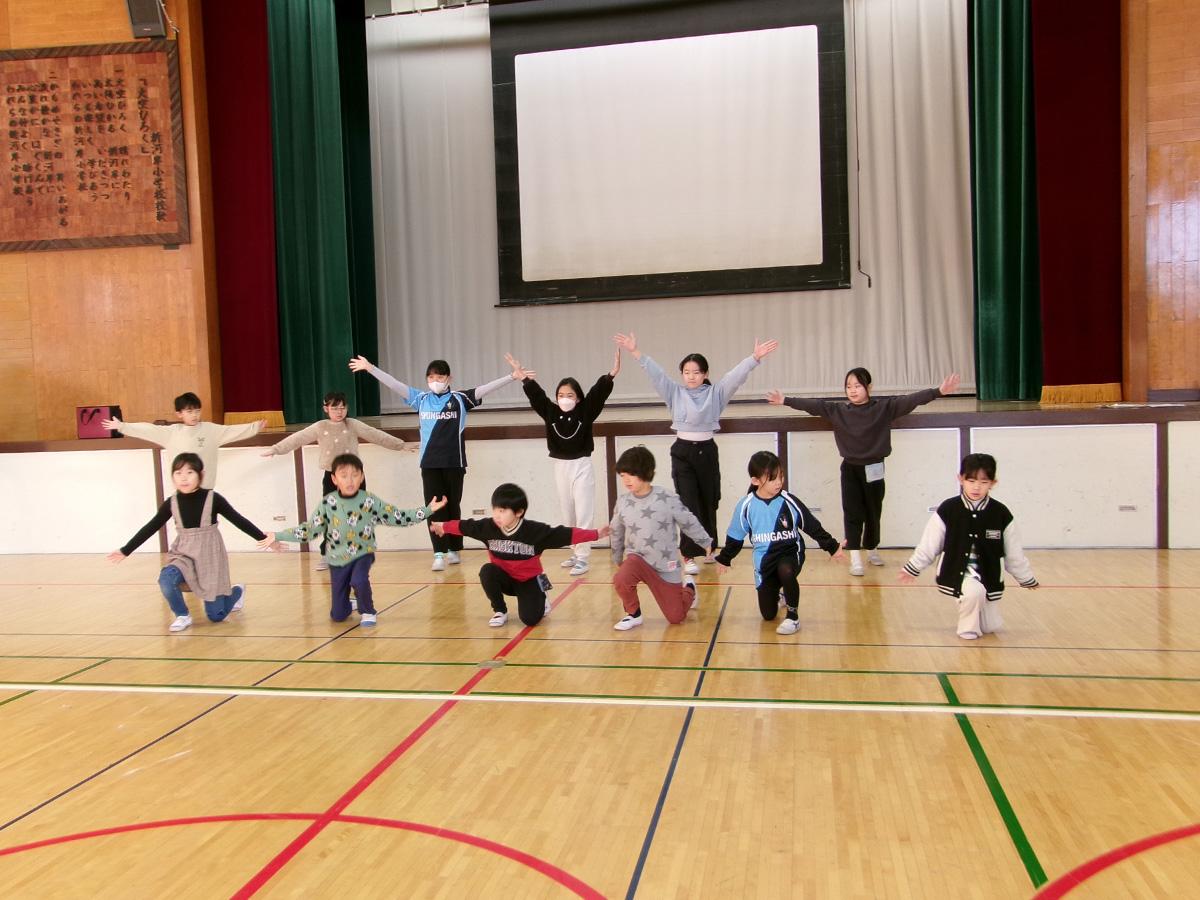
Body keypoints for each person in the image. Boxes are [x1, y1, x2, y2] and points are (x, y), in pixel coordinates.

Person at [767, 367, 960, 576]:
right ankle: (855, 557)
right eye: (848, 386)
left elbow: (911, 400)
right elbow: (814, 405)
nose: (852, 390)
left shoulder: (884, 408)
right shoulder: (838, 410)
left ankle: (872, 548)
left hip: (875, 468)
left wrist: (938, 391)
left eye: (857, 386)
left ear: (869, 387)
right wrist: (785, 400)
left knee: (873, 512)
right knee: (852, 513)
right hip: (851, 468)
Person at [613, 332, 778, 576]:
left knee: (709, 500)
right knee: (689, 503)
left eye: (696, 372)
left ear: (705, 374)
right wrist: (635, 351)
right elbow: (656, 374)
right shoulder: (674, 392)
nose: (691, 376)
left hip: (707, 452)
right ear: (682, 374)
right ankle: (688, 554)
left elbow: (735, 377)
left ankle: (709, 547)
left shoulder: (716, 393)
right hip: (683, 453)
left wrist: (754, 358)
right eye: (687, 372)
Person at [349, 354, 522, 571]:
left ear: (449, 378)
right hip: (429, 463)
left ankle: (453, 549)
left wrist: (512, 376)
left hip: (454, 462)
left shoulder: (460, 399)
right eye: (431, 377)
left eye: (439, 377)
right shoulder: (421, 399)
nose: (435, 381)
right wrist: (370, 368)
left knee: (452, 506)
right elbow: (395, 384)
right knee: (433, 508)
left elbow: (485, 389)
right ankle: (438, 553)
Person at [260, 453, 444, 627]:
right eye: (344, 476)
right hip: (337, 559)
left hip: (362, 553)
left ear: (362, 477)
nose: (349, 480)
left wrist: (428, 510)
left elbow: (398, 516)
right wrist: (278, 535)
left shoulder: (369, 501)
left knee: (359, 579)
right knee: (338, 615)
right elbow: (310, 530)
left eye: (355, 475)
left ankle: (368, 610)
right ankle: (348, 604)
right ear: (334, 479)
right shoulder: (328, 503)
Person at [107, 452, 268, 633]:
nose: (183, 478)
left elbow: (239, 520)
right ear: (173, 477)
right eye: (178, 473)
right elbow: (151, 526)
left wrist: (264, 538)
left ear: (201, 475)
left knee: (216, 616)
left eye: (190, 472)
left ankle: (237, 591)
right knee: (166, 579)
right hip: (183, 555)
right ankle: (182, 615)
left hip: (210, 557)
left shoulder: (213, 498)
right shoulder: (172, 502)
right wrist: (125, 550)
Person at [261, 390, 414, 569]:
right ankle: (328, 554)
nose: (340, 412)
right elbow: (297, 438)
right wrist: (276, 449)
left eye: (343, 408)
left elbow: (375, 435)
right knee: (330, 516)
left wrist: (400, 445)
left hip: (355, 477)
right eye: (335, 408)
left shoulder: (353, 424)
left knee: (358, 515)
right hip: (332, 477)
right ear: (326, 408)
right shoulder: (320, 426)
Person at [898, 452, 1038, 640]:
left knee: (991, 626)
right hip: (958, 573)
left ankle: (978, 614)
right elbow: (930, 544)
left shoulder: (1000, 513)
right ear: (960, 479)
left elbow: (1014, 554)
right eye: (971, 481)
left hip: (989, 577)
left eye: (983, 482)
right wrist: (913, 567)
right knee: (974, 592)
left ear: (993, 483)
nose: (976, 487)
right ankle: (967, 630)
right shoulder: (948, 509)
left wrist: (1026, 578)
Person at [431, 483, 609, 628]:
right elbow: (465, 526)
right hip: (505, 579)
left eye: (503, 511)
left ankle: (542, 593)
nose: (497, 515)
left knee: (530, 620)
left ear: (519, 512)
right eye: (495, 510)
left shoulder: (534, 531)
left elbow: (565, 534)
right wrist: (443, 526)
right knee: (487, 571)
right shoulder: (488, 527)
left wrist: (596, 534)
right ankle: (500, 611)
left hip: (528, 581)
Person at [508, 348, 619, 577]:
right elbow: (537, 397)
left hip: (582, 466)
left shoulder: (586, 411)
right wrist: (524, 379)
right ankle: (574, 551)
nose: (564, 399)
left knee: (583, 512)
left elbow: (598, 394)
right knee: (568, 513)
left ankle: (583, 557)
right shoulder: (550, 412)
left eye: (569, 395)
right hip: (560, 467)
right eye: (560, 395)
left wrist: (611, 375)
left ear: (577, 398)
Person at [714, 451, 845, 635]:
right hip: (764, 562)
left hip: (790, 553)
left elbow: (811, 525)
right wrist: (724, 558)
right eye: (772, 479)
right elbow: (735, 536)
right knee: (768, 615)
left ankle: (793, 617)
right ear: (755, 481)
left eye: (780, 477)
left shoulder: (788, 501)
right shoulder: (746, 505)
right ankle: (779, 593)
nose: (778, 482)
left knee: (786, 570)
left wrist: (832, 546)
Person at [609, 445, 712, 631]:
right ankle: (633, 614)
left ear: (645, 472)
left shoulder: (666, 498)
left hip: (665, 565)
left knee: (676, 617)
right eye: (622, 475)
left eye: (630, 475)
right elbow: (616, 531)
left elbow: (687, 520)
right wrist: (617, 558)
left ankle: (689, 588)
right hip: (637, 559)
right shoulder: (623, 501)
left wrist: (705, 541)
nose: (626, 480)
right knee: (621, 578)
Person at [101, 392, 266, 489]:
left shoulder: (211, 430)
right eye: (189, 411)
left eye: (197, 411)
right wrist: (123, 426)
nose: (194, 415)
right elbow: (148, 429)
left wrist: (254, 427)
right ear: (179, 414)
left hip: (206, 489)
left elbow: (232, 431)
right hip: (182, 490)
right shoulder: (172, 433)